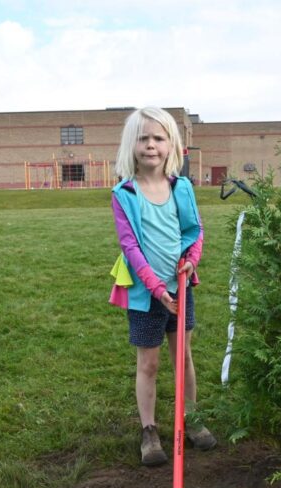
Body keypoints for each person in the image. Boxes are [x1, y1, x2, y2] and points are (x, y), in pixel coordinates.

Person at [109, 106, 217, 466]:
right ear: (132, 145)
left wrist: (191, 259)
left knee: (183, 357)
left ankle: (189, 417)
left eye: (159, 138)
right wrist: (157, 290)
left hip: (181, 288)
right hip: (146, 295)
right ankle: (149, 430)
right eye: (143, 138)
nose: (151, 145)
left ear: (172, 146)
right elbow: (131, 247)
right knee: (149, 364)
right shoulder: (125, 193)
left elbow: (194, 231)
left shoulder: (181, 188)